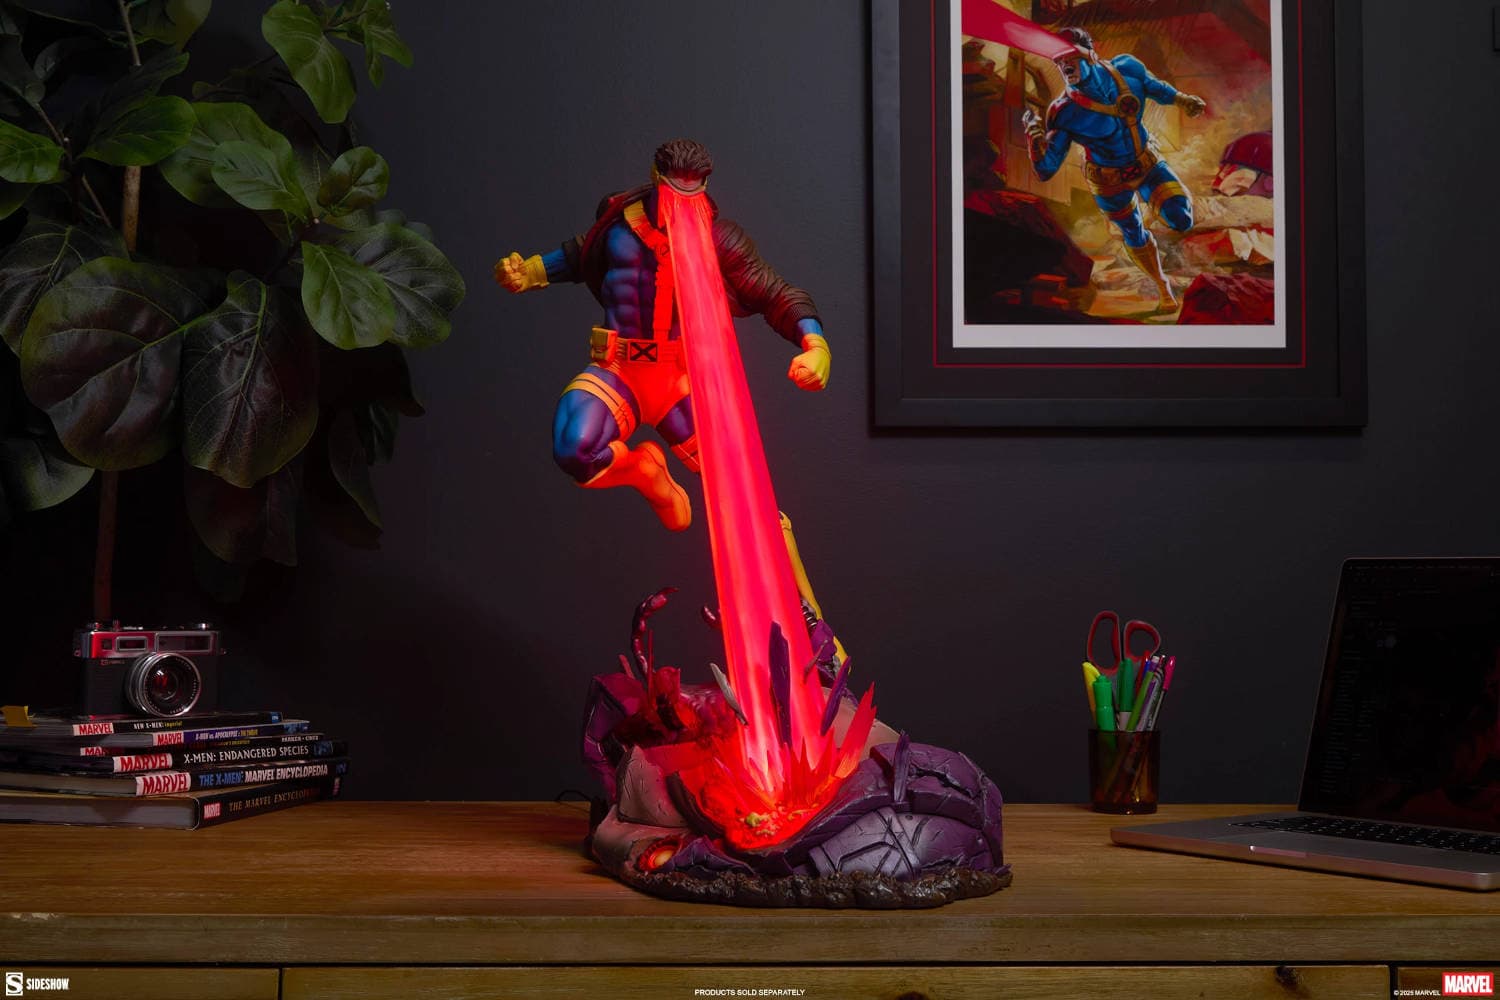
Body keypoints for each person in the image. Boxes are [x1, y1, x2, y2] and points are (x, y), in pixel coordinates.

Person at [496, 139, 830, 531]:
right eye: (676, 188)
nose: (684, 200)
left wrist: (815, 344)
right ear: (657, 177)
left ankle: (790, 571)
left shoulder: (717, 239)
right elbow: (577, 257)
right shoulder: (618, 225)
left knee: (747, 495)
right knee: (574, 450)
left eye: (694, 188)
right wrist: (526, 273)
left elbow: (774, 293)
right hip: (619, 370)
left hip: (678, 382)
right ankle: (644, 472)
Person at [1020, 27, 1207, 311]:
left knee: (1181, 218)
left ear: (1090, 54)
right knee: (1134, 233)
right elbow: (1046, 170)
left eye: (1070, 57)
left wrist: (1182, 99)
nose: (1064, 65)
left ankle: (1155, 208)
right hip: (1108, 181)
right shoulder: (1063, 112)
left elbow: (1155, 87)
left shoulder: (1127, 68)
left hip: (1146, 164)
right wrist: (1034, 141)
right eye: (1058, 60)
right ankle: (1162, 286)